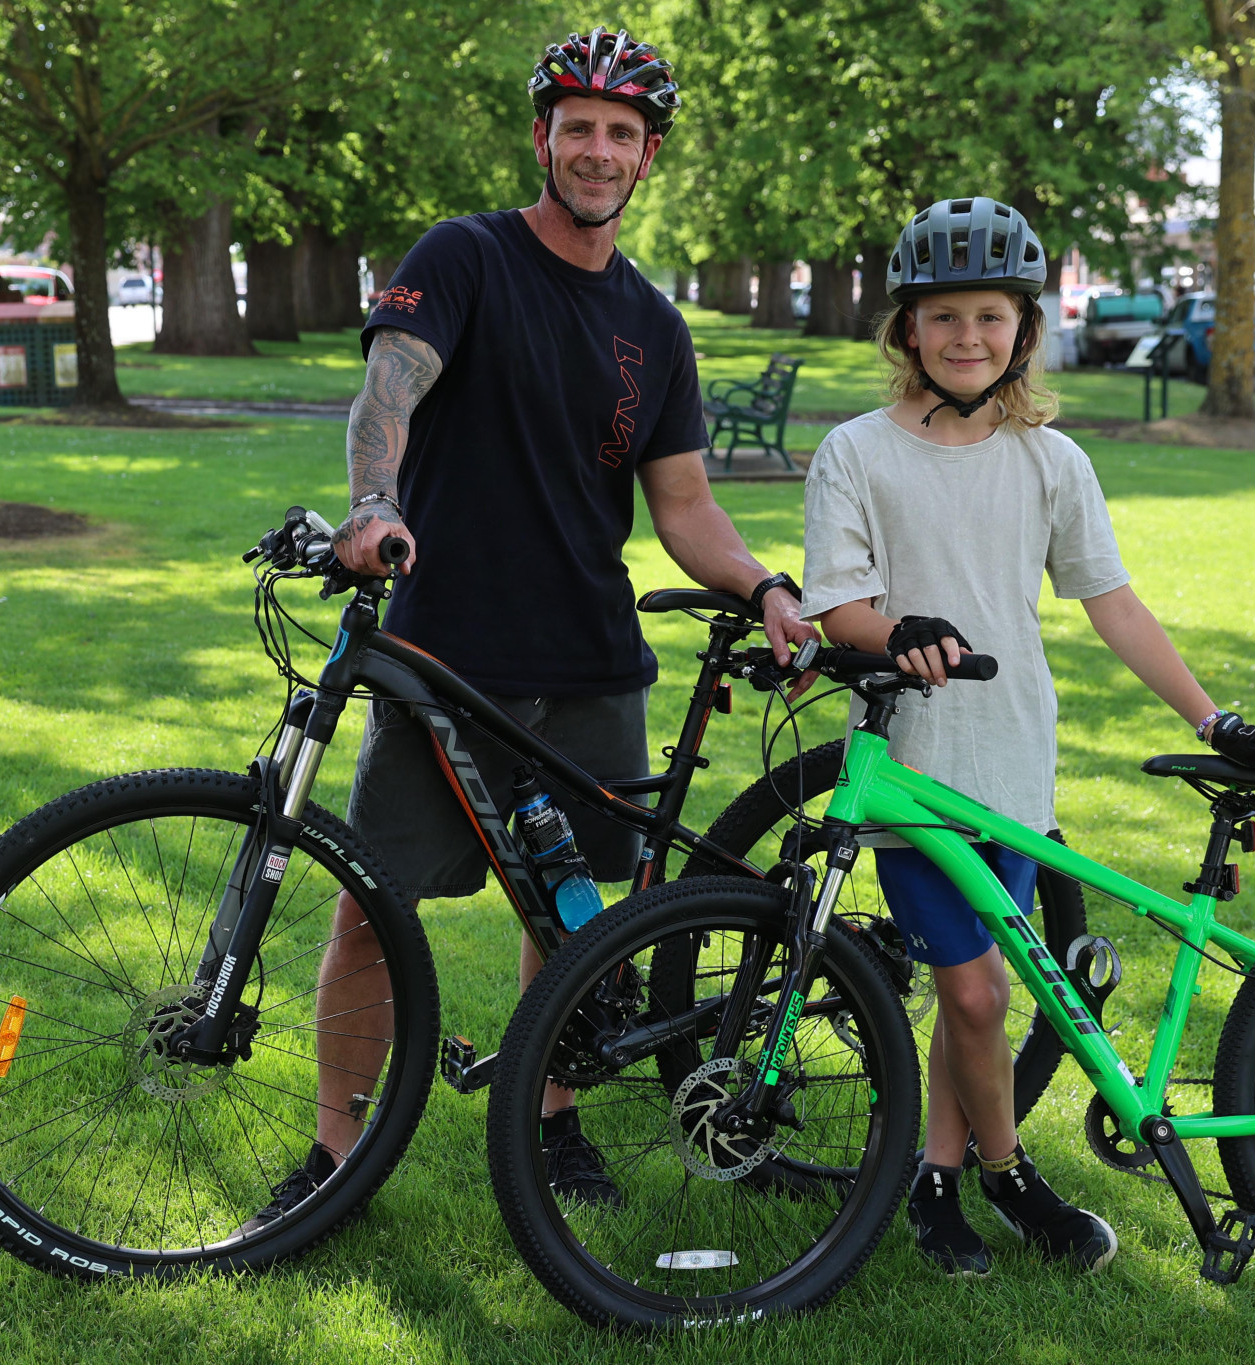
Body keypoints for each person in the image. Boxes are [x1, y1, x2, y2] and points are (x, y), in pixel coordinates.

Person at [239, 29, 817, 1233]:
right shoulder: (464, 257)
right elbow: (386, 392)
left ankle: (552, 1120)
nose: (596, 150)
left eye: (620, 133)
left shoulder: (654, 328)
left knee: (565, 913)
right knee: (369, 907)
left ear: (646, 157)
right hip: (448, 655)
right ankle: (336, 1148)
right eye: (577, 126)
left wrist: (762, 584)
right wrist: (370, 505)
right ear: (543, 137)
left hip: (590, 660)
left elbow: (684, 507)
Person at [800, 197, 1255, 1277]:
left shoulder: (1050, 460)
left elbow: (1112, 604)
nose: (964, 338)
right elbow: (836, 607)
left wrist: (1208, 715)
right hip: (907, 770)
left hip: (1010, 764)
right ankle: (1008, 1173)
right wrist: (898, 632)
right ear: (905, 330)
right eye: (941, 317)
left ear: (1021, 332)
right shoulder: (853, 453)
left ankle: (937, 1183)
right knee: (976, 989)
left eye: (989, 317)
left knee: (974, 989)